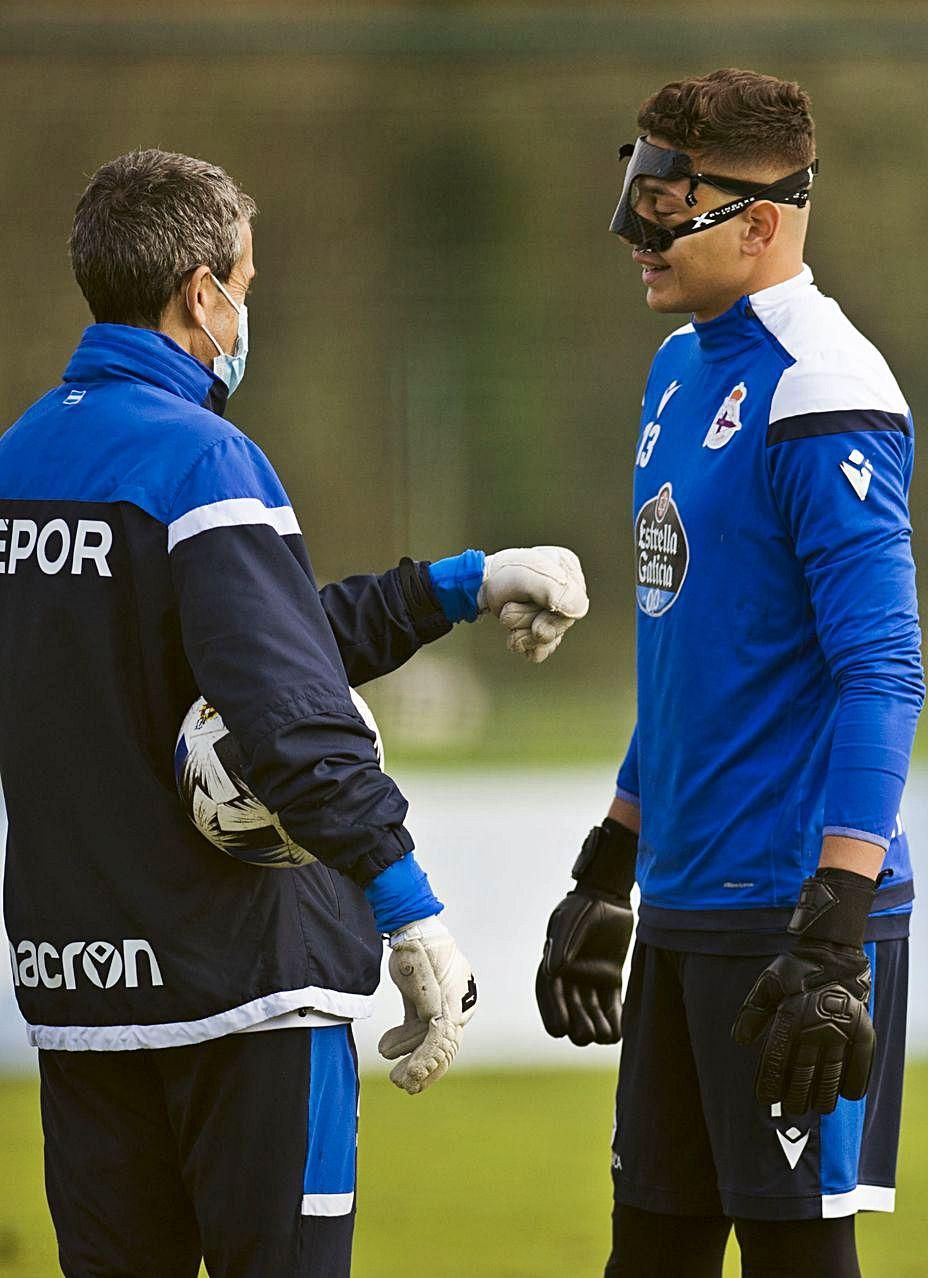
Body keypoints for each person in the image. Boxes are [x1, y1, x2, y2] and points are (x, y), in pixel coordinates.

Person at [0, 148, 589, 1278]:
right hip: (247, 993)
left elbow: (231, 647)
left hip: (82, 1001)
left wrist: (458, 584)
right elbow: (290, 716)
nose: (245, 313)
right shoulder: (204, 459)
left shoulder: (22, 460)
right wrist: (407, 907)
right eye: (248, 287)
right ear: (200, 293)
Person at [535, 69, 922, 1278]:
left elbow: (884, 667)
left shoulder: (824, 388)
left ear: (761, 222)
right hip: (686, 914)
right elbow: (692, 659)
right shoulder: (675, 369)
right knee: (648, 1256)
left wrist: (835, 929)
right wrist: (609, 864)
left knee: (797, 1262)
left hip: (792, 923)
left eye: (668, 199)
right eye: (637, 185)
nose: (638, 228)